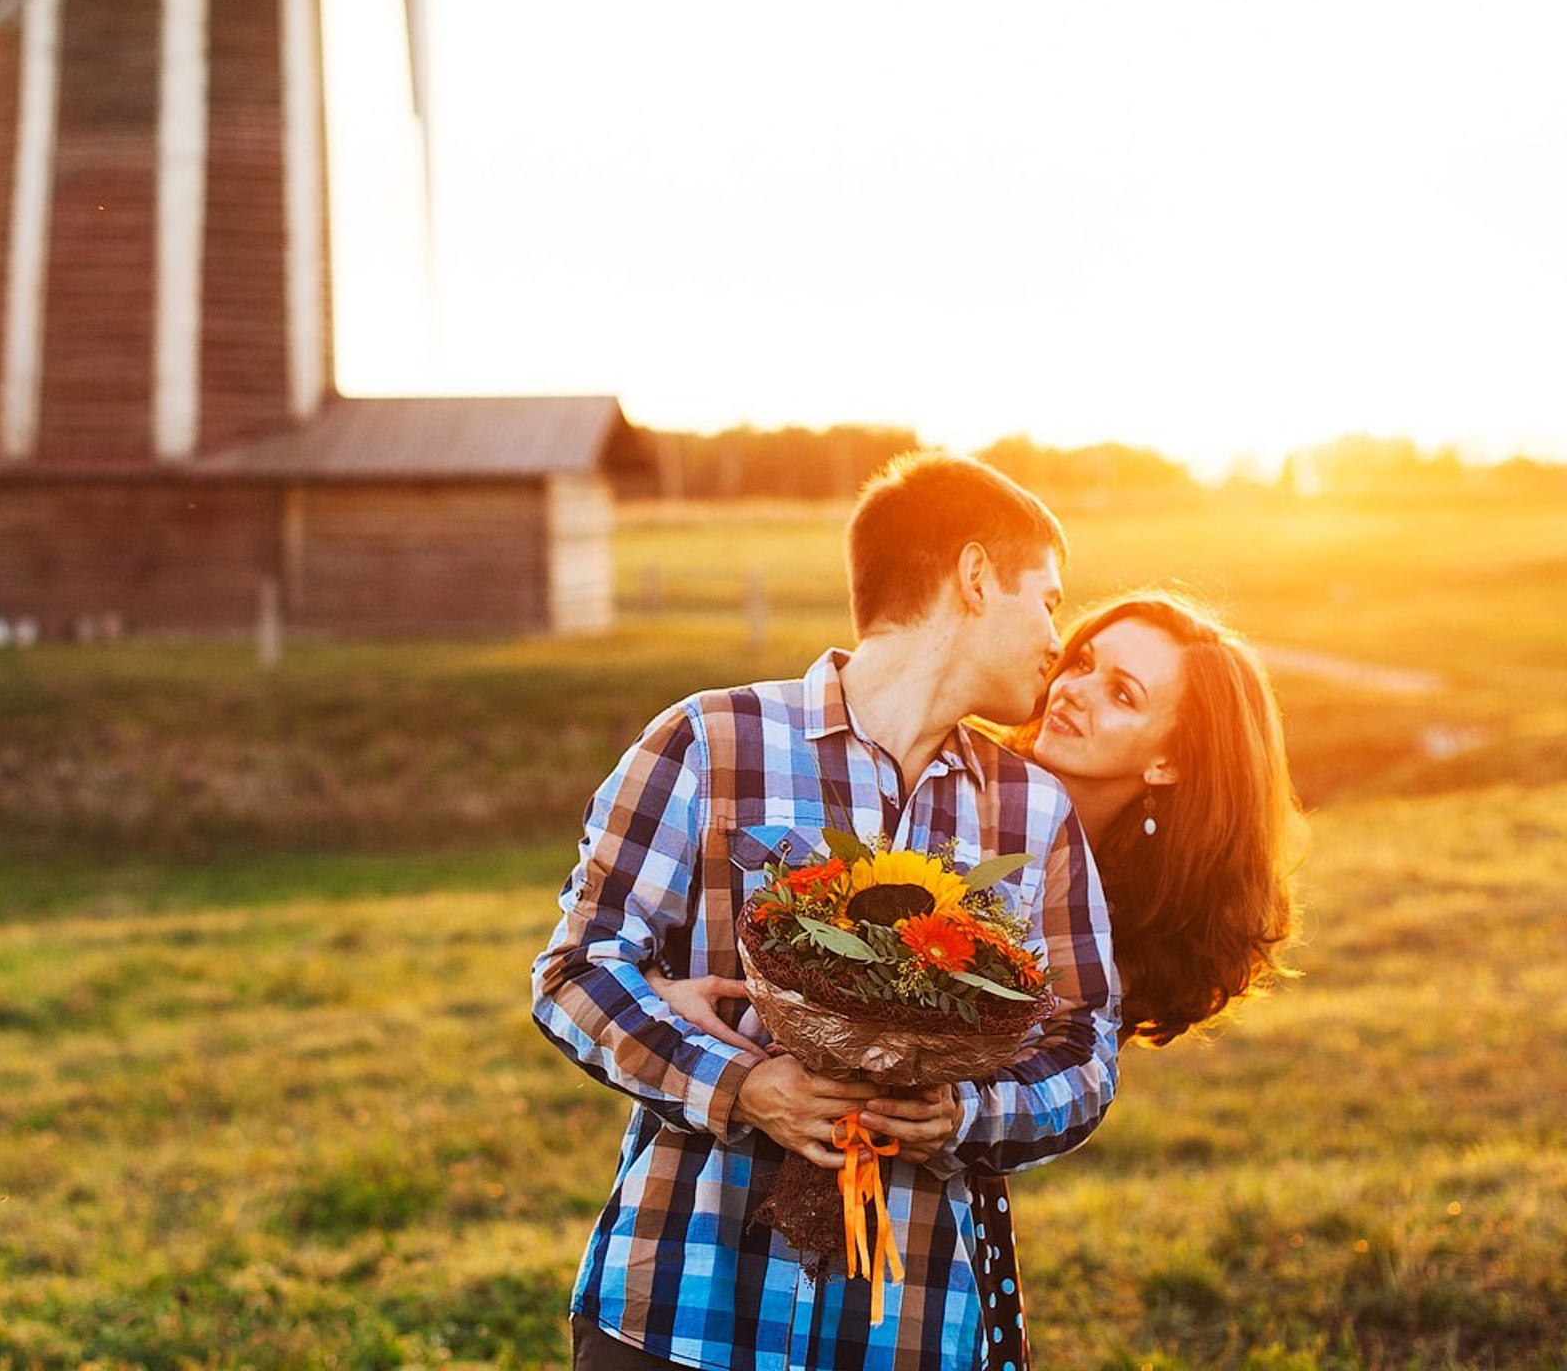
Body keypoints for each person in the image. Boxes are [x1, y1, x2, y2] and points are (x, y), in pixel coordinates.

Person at [531, 451, 1121, 1371]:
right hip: (682, 1314)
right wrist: (742, 1087)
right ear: (974, 578)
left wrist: (963, 1110)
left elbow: (1085, 1050)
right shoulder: (709, 743)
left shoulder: (1034, 814)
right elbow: (576, 972)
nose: (1057, 637)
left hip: (904, 1329)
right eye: (1046, 598)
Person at [658, 589, 1306, 1362]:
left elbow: (1072, 1064)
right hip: (753, 1189)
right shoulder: (957, 798)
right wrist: (658, 985)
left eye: (1122, 694)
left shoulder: (1132, 898)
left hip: (942, 1203)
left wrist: (965, 1110)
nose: (1074, 691)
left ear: (1168, 761)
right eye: (1084, 662)